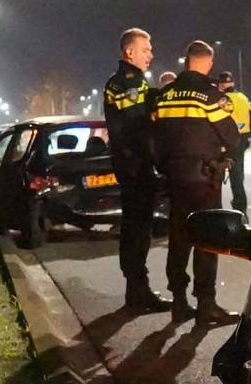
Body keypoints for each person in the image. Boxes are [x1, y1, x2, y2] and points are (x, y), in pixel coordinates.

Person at [153, 41, 242, 325]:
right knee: (207, 240)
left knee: (178, 240)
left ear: (186, 60)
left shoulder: (164, 96)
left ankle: (179, 302)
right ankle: (206, 305)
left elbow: (155, 139)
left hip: (174, 180)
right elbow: (231, 137)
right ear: (208, 62)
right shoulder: (210, 96)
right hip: (205, 181)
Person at [103, 27, 171, 314]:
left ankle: (137, 291)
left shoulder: (135, 83)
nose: (151, 55)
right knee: (136, 231)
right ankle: (138, 293)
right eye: (146, 49)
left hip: (135, 165)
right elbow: (136, 126)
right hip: (134, 166)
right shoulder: (125, 84)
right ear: (129, 51)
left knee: (138, 229)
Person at [216, 71, 251, 218]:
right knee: (238, 177)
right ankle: (240, 206)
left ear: (222, 85)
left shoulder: (224, 99)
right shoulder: (243, 98)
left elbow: (220, 120)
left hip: (227, 141)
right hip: (243, 139)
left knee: (218, 176)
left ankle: (216, 208)